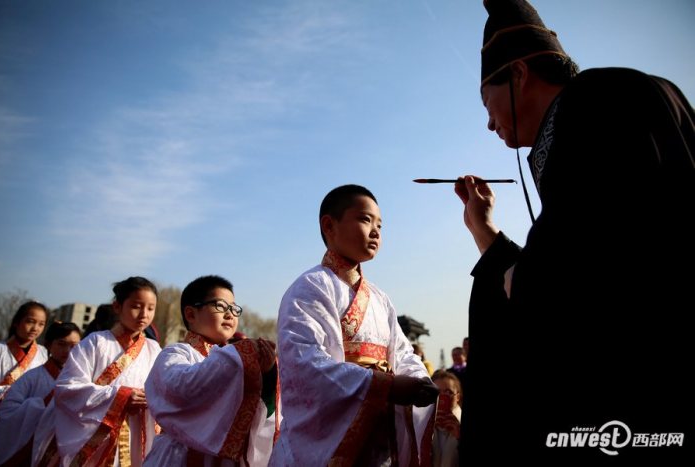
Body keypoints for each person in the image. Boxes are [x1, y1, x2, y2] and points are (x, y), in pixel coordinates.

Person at [454, 0, 694, 462]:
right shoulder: (629, 94)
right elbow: (584, 250)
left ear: (519, 73)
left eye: (487, 102)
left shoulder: (595, 105)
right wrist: (484, 231)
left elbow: (558, 285)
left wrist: (515, 277)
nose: (488, 123)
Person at [270, 184, 438, 466]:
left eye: (380, 225)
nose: (376, 231)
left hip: (378, 439)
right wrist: (386, 386)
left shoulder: (381, 299)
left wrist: (420, 382)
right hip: (322, 448)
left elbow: (402, 353)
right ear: (329, 225)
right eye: (365, 219)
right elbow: (305, 364)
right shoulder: (309, 287)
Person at [144, 275, 279, 466]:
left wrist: (268, 374)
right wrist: (242, 355)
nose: (230, 314)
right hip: (179, 456)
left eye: (233, 308)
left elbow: (259, 414)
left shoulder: (235, 361)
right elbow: (181, 388)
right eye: (221, 306)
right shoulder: (176, 353)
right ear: (191, 314)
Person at [54, 276, 162, 466]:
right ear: (117, 306)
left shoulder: (154, 349)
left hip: (137, 435)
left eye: (150, 308)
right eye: (136, 306)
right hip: (96, 435)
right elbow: (67, 388)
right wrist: (120, 396)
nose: (144, 314)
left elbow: (164, 391)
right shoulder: (96, 342)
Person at [0, 321, 81, 466]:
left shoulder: (83, 380)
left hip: (63, 447)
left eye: (74, 346)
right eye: (61, 344)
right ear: (48, 345)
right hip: (28, 450)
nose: (68, 350)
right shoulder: (32, 377)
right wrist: (44, 407)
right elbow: (6, 411)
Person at [0, 301, 49, 415]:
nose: (35, 328)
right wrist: (11, 393)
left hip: (26, 417)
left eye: (41, 324)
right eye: (30, 322)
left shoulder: (44, 354)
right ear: (16, 322)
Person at [430, 370, 461, 467]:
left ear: (458, 397)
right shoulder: (420, 422)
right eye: (437, 392)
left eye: (448, 392)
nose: (442, 397)